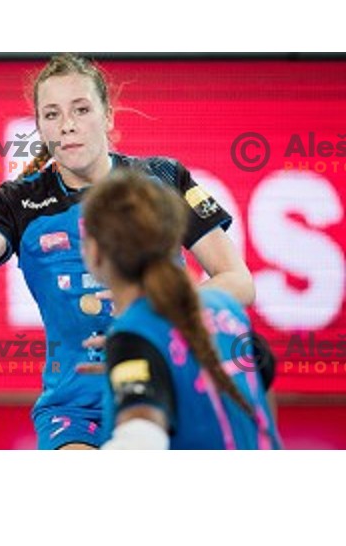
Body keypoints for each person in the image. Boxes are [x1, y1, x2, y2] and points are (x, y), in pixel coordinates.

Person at [0, 54, 255, 450]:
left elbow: (240, 284)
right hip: (77, 408)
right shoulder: (18, 200)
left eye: (81, 109)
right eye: (52, 114)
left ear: (108, 116)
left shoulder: (162, 178)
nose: (68, 125)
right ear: (40, 126)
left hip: (173, 384)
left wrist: (162, 303)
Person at [80, 169, 281, 449]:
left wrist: (132, 353)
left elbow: (142, 439)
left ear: (95, 252)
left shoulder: (133, 336)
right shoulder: (226, 308)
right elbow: (262, 389)